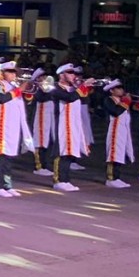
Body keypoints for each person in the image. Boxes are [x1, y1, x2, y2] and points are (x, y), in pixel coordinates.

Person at [0, 61, 29, 197]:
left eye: (14, 71)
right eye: (10, 71)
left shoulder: (13, 85)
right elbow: (0, 98)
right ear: (2, 73)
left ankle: (7, 184)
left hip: (12, 125)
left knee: (9, 156)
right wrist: (18, 91)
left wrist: (26, 93)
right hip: (0, 124)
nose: (13, 74)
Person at [49, 64, 89, 192]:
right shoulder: (54, 88)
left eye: (74, 73)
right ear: (61, 75)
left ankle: (66, 179)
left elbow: (83, 99)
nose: (74, 75)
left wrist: (80, 87)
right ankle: (58, 180)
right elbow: (69, 98)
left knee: (70, 152)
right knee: (61, 152)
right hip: (61, 123)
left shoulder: (73, 88)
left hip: (73, 124)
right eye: (70, 73)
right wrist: (83, 86)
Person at [101, 80, 135, 188]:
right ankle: (111, 178)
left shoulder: (122, 100)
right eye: (118, 88)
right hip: (114, 129)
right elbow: (116, 112)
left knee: (120, 153)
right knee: (114, 153)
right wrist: (125, 102)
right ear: (111, 90)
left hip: (123, 129)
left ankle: (117, 177)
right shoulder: (108, 100)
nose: (121, 90)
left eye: (121, 88)